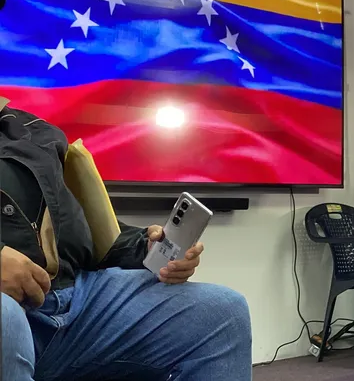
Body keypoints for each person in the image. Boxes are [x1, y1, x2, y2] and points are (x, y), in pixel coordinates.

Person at [0, 98, 251, 380]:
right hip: (14, 311)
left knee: (222, 311)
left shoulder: (36, 132)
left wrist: (145, 245)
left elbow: (85, 237)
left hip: (76, 298)